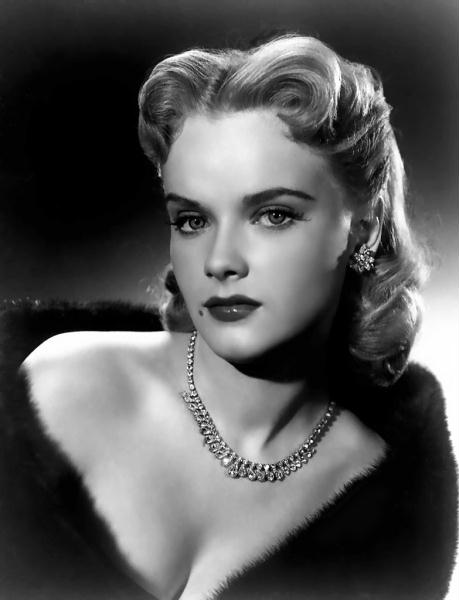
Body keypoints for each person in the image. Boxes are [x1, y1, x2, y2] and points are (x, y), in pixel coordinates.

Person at [0, 34, 456, 600]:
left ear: (362, 227)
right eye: (192, 221)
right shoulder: (64, 386)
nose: (220, 262)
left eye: (273, 215)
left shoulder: (383, 514)